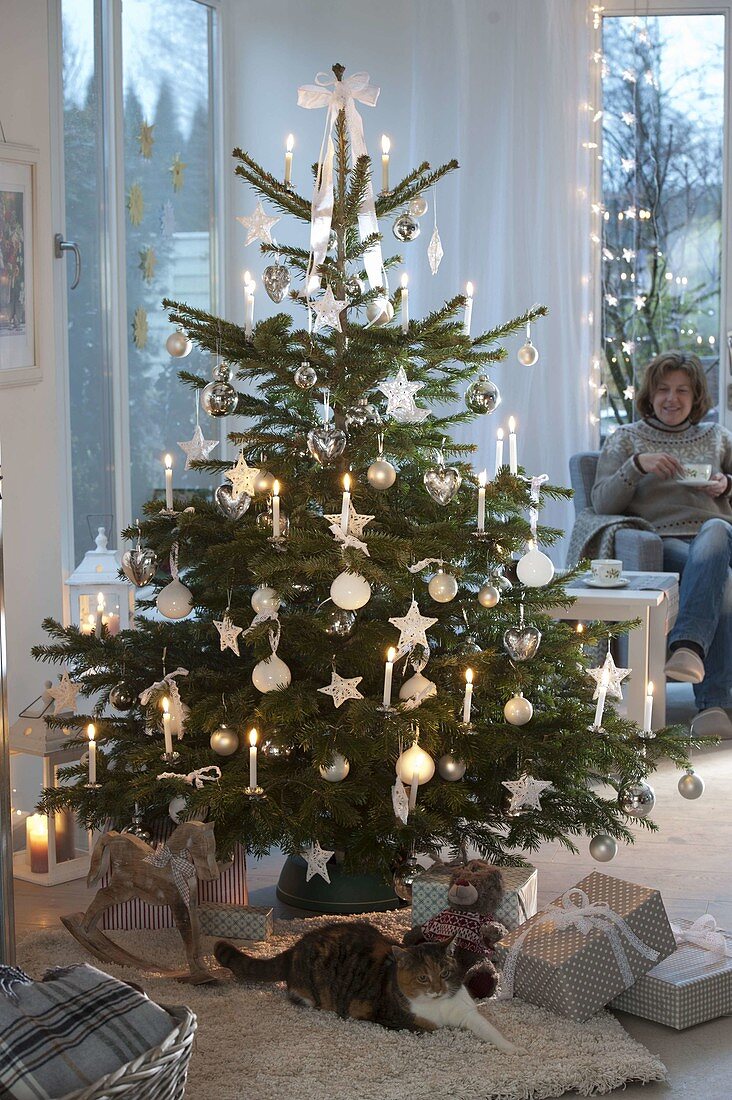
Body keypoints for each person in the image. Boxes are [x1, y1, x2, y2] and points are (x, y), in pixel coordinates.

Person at [592, 350, 732, 737]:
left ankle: (688, 646)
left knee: (717, 531)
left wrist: (726, 485)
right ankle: (713, 707)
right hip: (663, 541)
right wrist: (638, 465)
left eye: (682, 390)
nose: (672, 398)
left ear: (696, 396)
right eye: (663, 390)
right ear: (650, 396)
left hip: (718, 534)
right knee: (726, 583)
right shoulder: (627, 438)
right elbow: (601, 501)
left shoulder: (717, 437)